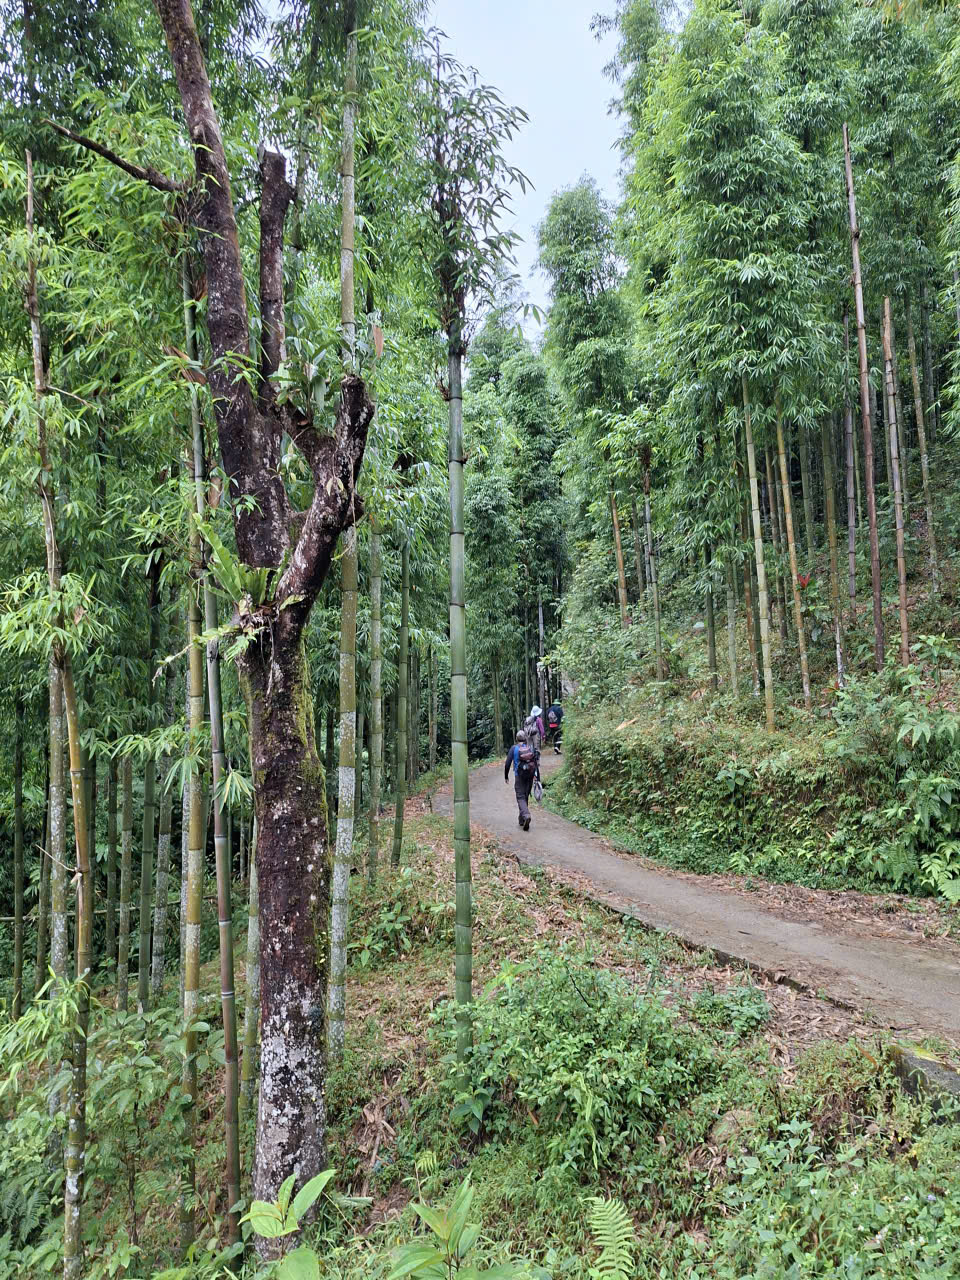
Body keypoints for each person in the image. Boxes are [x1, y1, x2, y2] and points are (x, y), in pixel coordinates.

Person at [504, 730, 539, 831]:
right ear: (525, 738)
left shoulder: (514, 748)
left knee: (520, 797)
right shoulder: (530, 748)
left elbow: (507, 764)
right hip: (530, 775)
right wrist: (536, 776)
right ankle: (521, 820)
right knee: (525, 796)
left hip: (519, 776)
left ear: (516, 738)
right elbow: (535, 762)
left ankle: (526, 816)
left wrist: (506, 776)